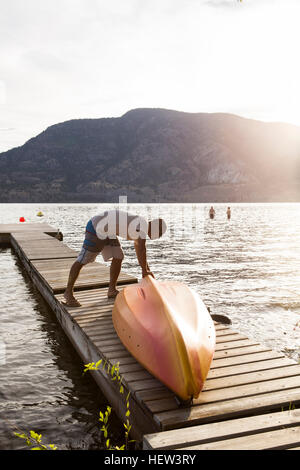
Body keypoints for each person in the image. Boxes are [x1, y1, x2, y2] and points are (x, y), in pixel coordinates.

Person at [63, 209, 167, 307]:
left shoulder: (141, 225)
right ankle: (68, 294)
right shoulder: (143, 226)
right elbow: (141, 249)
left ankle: (111, 290)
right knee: (83, 260)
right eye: (159, 234)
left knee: (118, 256)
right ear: (155, 227)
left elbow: (138, 248)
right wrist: (145, 270)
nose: (157, 237)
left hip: (108, 230)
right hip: (96, 227)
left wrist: (146, 269)